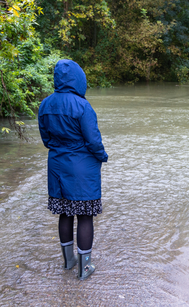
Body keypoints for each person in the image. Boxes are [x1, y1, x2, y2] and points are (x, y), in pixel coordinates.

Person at [38, 59, 108, 280]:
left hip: (57, 166)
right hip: (82, 168)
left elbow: (46, 139)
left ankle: (69, 261)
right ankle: (85, 268)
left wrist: (61, 148)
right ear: (79, 79)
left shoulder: (45, 104)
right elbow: (93, 141)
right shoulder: (82, 105)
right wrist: (102, 156)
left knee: (65, 212)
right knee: (85, 215)